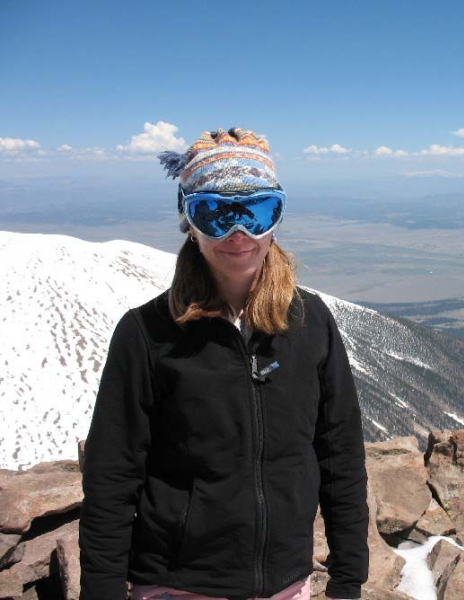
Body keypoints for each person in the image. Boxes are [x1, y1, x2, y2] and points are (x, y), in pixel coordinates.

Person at [79, 128, 369, 600]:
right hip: (177, 585)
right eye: (214, 213)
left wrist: (348, 581)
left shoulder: (310, 321)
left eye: (257, 211)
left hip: (285, 583)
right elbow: (112, 478)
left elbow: (340, 456)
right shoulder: (146, 334)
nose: (239, 233)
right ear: (189, 224)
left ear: (276, 219)